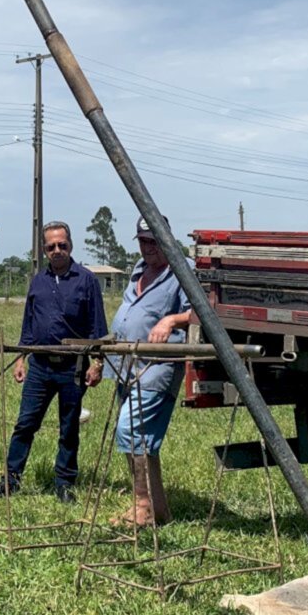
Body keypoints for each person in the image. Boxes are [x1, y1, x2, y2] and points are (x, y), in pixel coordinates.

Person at [0, 221, 107, 503]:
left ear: (71, 245)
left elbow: (97, 326)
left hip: (73, 367)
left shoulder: (87, 280)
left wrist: (98, 363)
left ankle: (64, 483)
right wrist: (21, 357)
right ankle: (11, 480)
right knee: (25, 424)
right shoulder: (38, 282)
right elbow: (29, 325)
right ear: (44, 250)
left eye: (62, 245)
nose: (57, 250)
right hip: (40, 368)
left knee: (69, 428)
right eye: (51, 247)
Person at [106, 215, 192, 526]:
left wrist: (171, 320)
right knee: (143, 442)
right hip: (127, 366)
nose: (148, 248)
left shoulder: (183, 270)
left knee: (130, 431)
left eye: (154, 241)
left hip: (157, 367)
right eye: (143, 241)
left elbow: (200, 309)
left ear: (168, 239)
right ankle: (159, 510)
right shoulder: (138, 270)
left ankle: (142, 507)